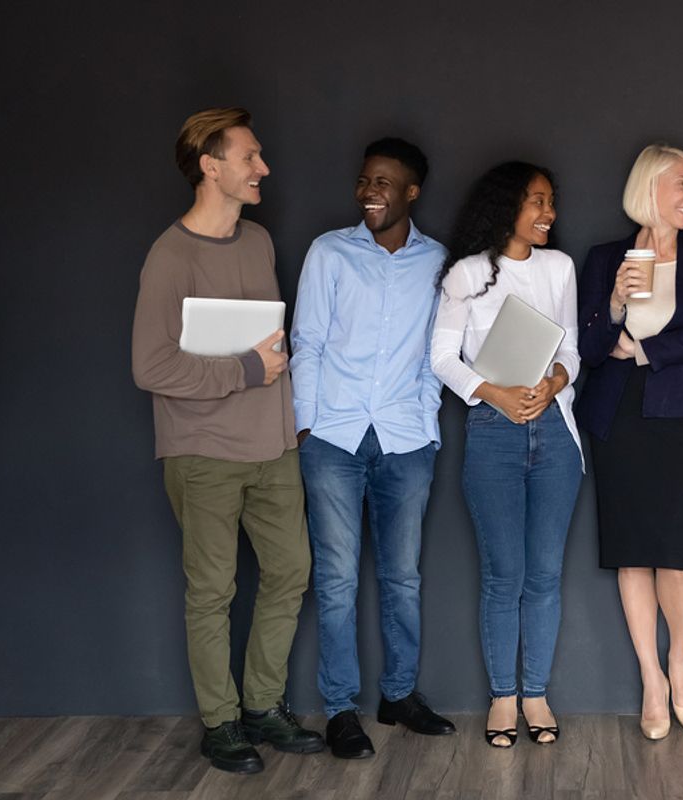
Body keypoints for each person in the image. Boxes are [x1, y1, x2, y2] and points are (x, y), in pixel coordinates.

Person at [132, 107, 322, 774]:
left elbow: (273, 345)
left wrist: (287, 415)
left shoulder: (259, 242)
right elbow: (150, 367)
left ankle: (263, 707)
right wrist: (245, 368)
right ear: (211, 167)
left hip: (273, 448)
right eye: (250, 157)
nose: (263, 168)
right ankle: (221, 723)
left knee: (292, 573)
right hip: (202, 453)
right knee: (211, 591)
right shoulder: (170, 255)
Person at [289, 137, 455, 760]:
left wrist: (426, 423)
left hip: (406, 440)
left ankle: (399, 695)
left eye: (382, 183)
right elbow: (307, 342)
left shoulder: (438, 262)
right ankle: (340, 711)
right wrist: (306, 425)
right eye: (363, 181)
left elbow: (434, 357)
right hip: (331, 437)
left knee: (403, 579)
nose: (368, 192)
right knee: (334, 581)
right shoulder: (329, 252)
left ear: (411, 192)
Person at [576, 143, 683, 740]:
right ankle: (650, 676)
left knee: (675, 548)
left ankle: (681, 658)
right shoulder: (603, 257)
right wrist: (614, 302)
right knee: (630, 548)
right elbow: (589, 348)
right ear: (650, 187)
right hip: (619, 418)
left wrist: (640, 349)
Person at [430, 161, 582, 748]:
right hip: (492, 431)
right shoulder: (466, 274)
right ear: (506, 207)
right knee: (504, 575)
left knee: (544, 575)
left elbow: (571, 347)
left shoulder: (560, 267)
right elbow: (442, 357)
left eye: (552, 202)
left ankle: (537, 692)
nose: (549, 214)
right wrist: (493, 391)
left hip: (556, 435)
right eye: (537, 202)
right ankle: (503, 698)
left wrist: (556, 382)